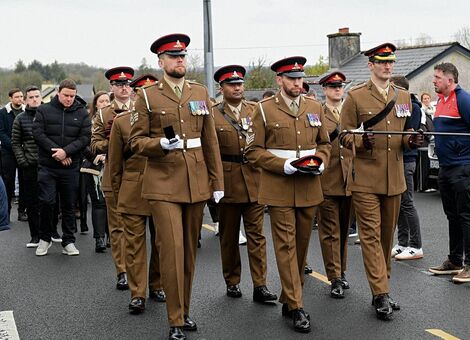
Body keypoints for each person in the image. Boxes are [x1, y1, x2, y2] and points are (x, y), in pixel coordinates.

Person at [129, 33, 224, 340]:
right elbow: (136, 141)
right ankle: (175, 320)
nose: (180, 60)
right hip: (162, 182)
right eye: (173, 57)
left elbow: (210, 141)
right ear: (161, 62)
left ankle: (184, 309)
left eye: (182, 56)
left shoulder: (199, 91)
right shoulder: (147, 96)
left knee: (188, 254)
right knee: (171, 250)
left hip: (195, 181)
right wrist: (159, 144)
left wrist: (217, 182)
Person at [245, 56, 331, 333]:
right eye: (292, 78)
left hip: (309, 186)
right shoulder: (264, 109)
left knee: (302, 248)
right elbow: (253, 151)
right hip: (279, 187)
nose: (298, 83)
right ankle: (296, 305)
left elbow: (324, 144)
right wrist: (283, 165)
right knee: (286, 247)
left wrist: (320, 161)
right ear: (279, 80)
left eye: (300, 78)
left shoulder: (315, 106)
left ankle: (288, 296)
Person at [340, 42, 423, 321]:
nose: (388, 66)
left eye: (391, 62)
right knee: (371, 237)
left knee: (386, 238)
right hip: (365, 178)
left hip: (395, 178)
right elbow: (343, 136)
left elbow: (405, 134)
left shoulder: (403, 96)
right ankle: (381, 293)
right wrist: (361, 141)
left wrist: (412, 141)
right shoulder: (355, 96)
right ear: (371, 65)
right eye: (382, 62)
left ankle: (381, 288)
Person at [211, 65, 277, 303]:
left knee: (257, 236)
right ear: (222, 88)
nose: (237, 88)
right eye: (231, 84)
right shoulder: (212, 113)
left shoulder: (255, 110)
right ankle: (232, 281)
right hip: (227, 182)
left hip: (254, 179)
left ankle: (260, 285)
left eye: (240, 84)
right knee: (228, 237)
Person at [427, 62, 470, 283]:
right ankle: (455, 261)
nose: (433, 80)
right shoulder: (441, 101)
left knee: (466, 215)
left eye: (437, 77)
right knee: (452, 215)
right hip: (447, 166)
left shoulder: (463, 99)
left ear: (450, 80)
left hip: (466, 166)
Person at [108, 89, 165, 315]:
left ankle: (157, 284)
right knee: (134, 245)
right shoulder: (122, 122)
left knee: (161, 242)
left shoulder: (166, 120)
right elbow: (114, 163)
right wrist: (117, 193)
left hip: (161, 188)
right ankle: (137, 293)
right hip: (133, 190)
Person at [33, 79, 92, 256]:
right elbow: (38, 133)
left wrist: (65, 152)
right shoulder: (44, 110)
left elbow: (84, 138)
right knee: (46, 202)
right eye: (66, 95)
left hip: (71, 167)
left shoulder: (81, 113)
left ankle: (69, 241)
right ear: (58, 93)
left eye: (72, 96)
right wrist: (57, 154)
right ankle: (45, 238)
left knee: (69, 205)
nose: (69, 99)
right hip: (48, 166)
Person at [91, 66, 135, 290]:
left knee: (142, 228)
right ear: (112, 88)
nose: (124, 88)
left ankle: (146, 275)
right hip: (115, 174)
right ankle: (122, 271)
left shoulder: (142, 108)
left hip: (141, 174)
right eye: (119, 84)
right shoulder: (103, 113)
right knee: (117, 227)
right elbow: (94, 143)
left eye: (127, 84)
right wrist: (114, 143)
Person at [316, 71, 353, 298]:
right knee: (330, 231)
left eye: (340, 86)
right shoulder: (317, 113)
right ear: (325, 90)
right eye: (332, 86)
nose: (337, 90)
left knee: (344, 229)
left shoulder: (350, 111)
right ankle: (335, 277)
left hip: (349, 179)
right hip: (327, 178)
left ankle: (342, 270)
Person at [389, 76, 424, 261]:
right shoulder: (397, 106)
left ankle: (416, 245)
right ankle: (403, 242)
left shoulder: (414, 107)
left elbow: (408, 132)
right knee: (400, 204)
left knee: (408, 202)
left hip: (407, 159)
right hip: (397, 158)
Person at [11, 86, 42, 248]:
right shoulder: (20, 118)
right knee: (31, 202)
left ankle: (50, 233)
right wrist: (23, 162)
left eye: (37, 96)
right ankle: (35, 236)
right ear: (25, 100)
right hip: (29, 166)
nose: (34, 99)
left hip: (48, 166)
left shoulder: (48, 115)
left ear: (41, 97)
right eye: (31, 97)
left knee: (50, 201)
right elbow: (15, 142)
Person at [81, 91, 111, 252]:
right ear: (96, 104)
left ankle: (111, 236)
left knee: (112, 204)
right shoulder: (88, 122)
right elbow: (82, 143)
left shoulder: (117, 119)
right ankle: (99, 239)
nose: (105, 103)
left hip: (113, 166)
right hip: (93, 167)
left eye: (108, 100)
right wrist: (96, 157)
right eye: (102, 101)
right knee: (99, 204)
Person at [0, 88, 26, 222]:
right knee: (8, 183)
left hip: (24, 152)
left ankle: (22, 211)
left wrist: (23, 147)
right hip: (7, 152)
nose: (20, 99)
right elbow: (1, 132)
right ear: (10, 98)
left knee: (24, 181)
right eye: (17, 97)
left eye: (21, 96)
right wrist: (14, 146)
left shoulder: (26, 112)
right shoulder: (3, 113)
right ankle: (7, 213)